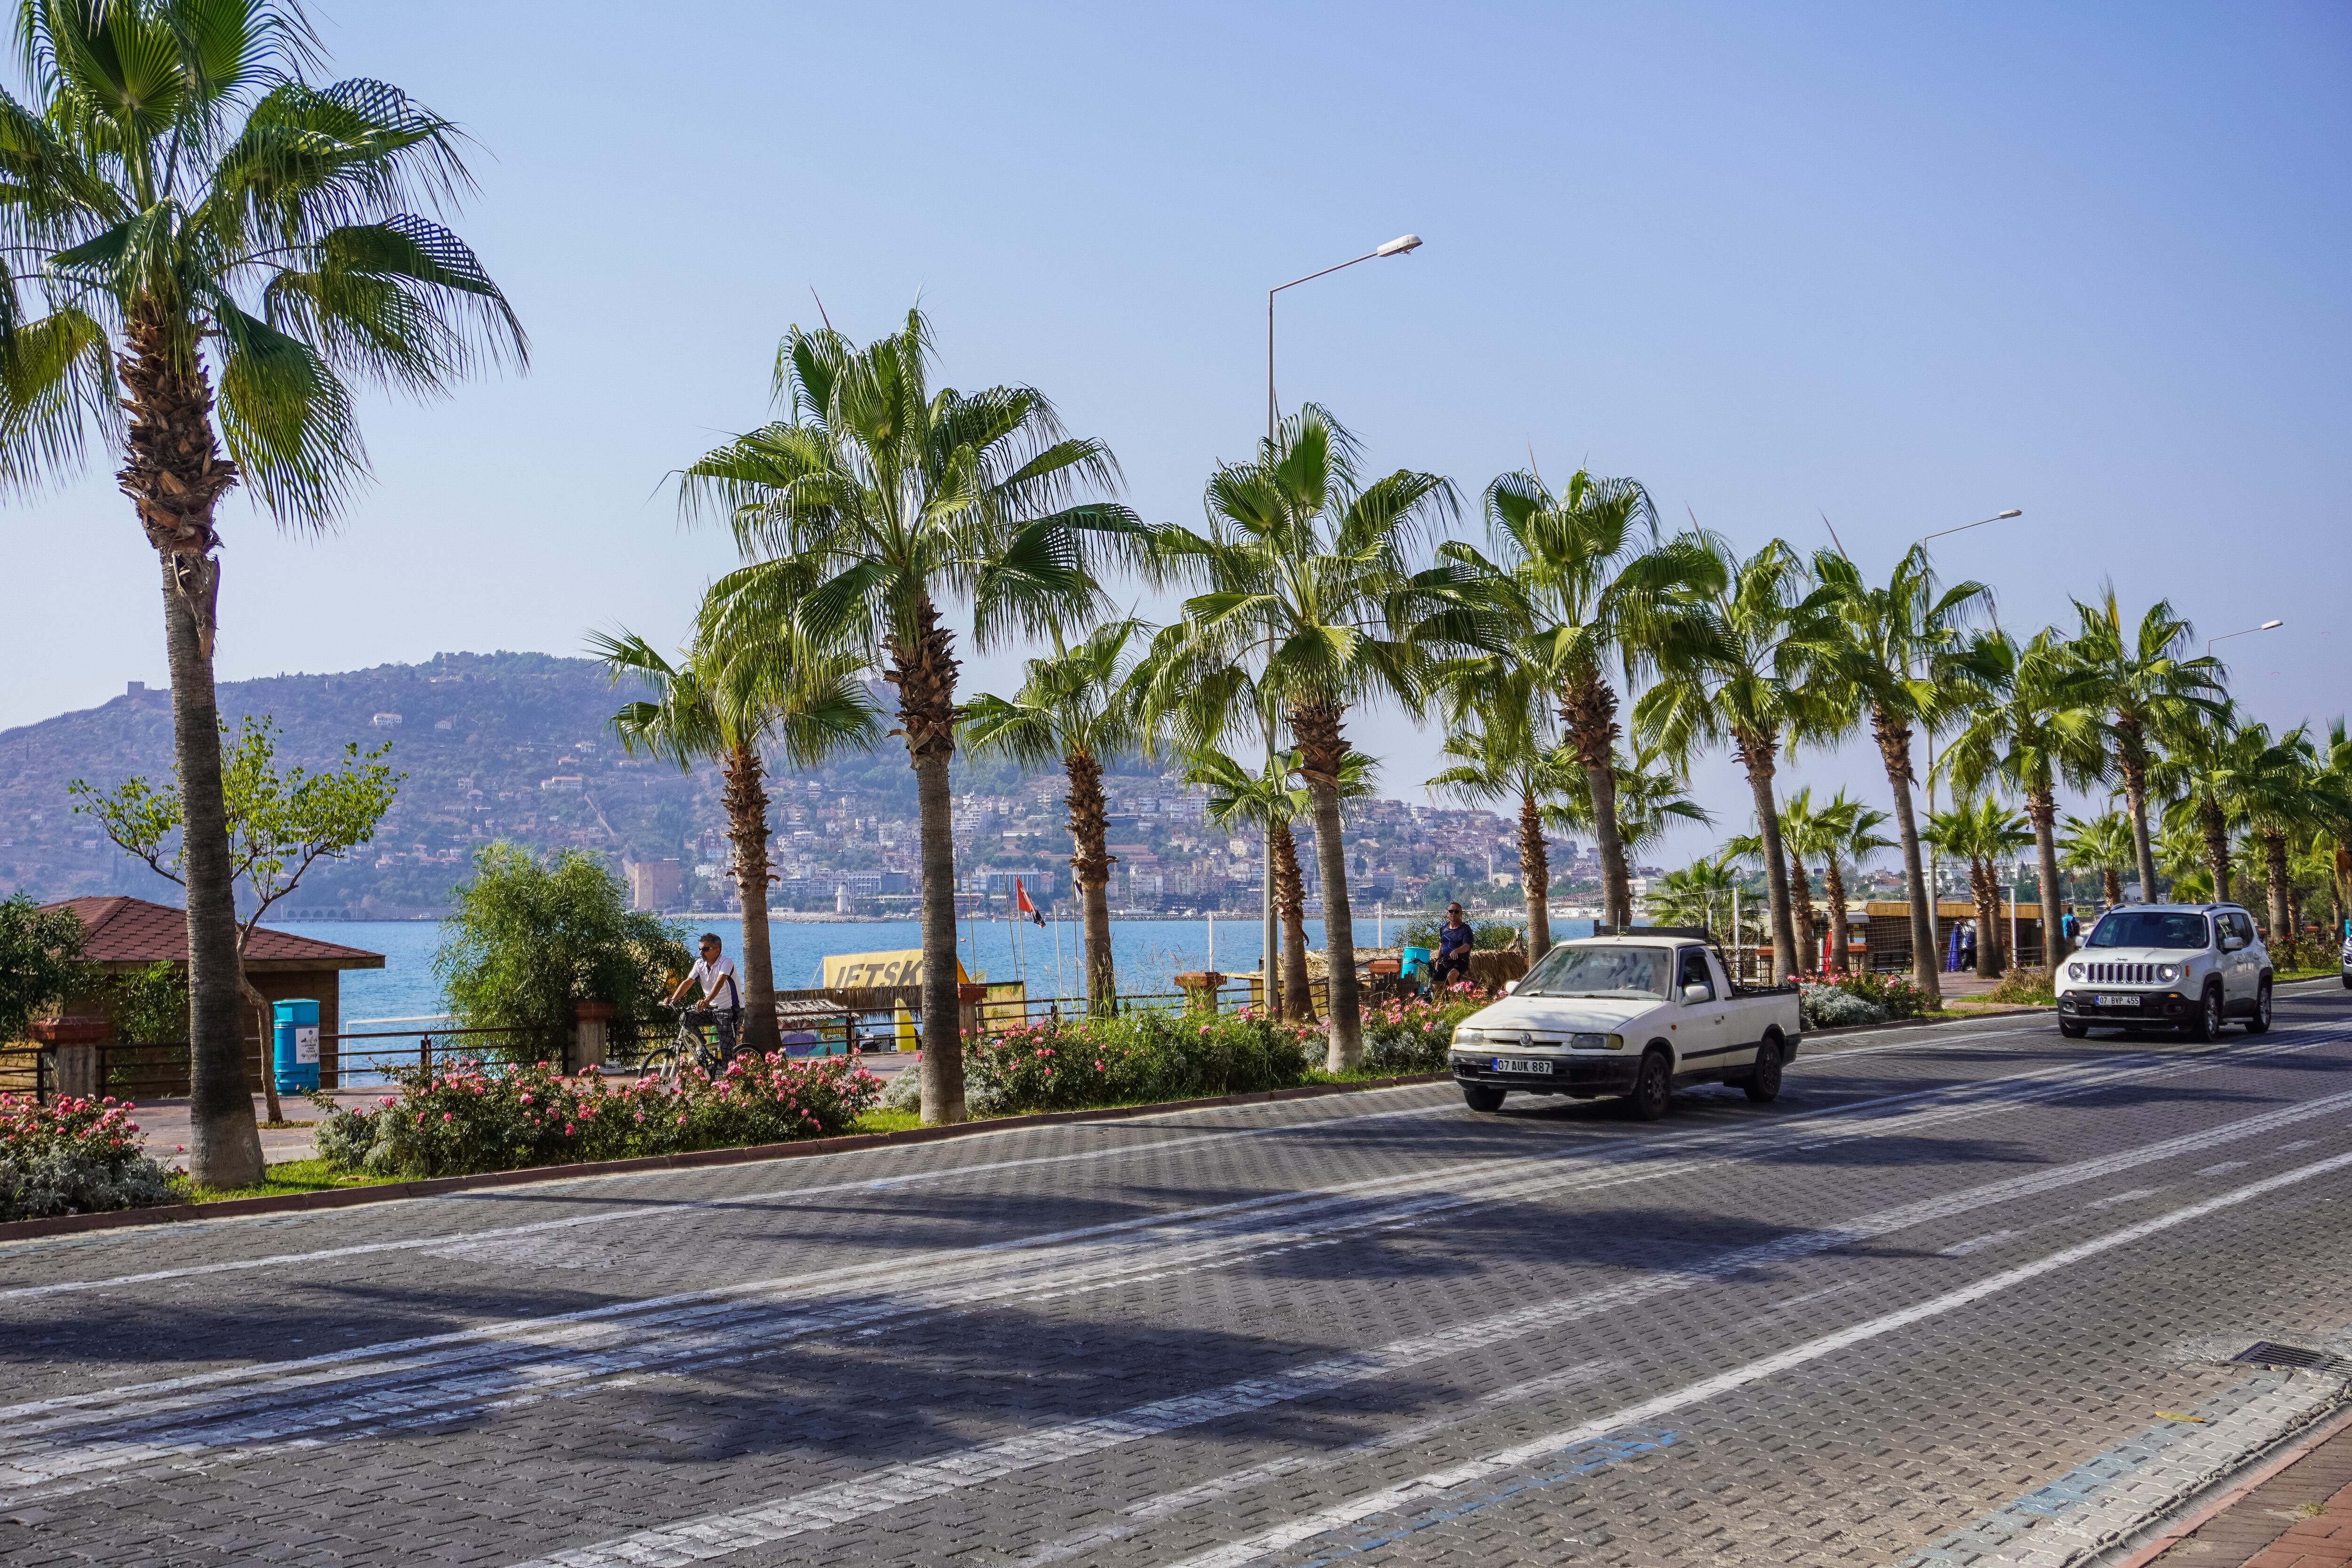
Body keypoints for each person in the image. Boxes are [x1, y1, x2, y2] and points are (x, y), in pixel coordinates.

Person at [666, 931, 743, 1061]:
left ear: (717, 951)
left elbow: (720, 982)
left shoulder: (726, 963)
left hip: (730, 1011)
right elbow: (688, 982)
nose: (701, 953)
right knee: (685, 1017)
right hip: (710, 1009)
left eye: (706, 949)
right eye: (700, 949)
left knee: (727, 1051)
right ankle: (701, 1048)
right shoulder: (699, 964)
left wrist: (707, 1000)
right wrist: (673, 1000)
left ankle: (728, 1077)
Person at [1432, 904, 1475, 989]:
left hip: (1459, 962)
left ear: (1461, 914)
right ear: (1448, 913)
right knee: (1435, 983)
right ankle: (1439, 1001)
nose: (1453, 914)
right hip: (1444, 962)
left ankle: (1456, 1000)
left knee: (1451, 976)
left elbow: (1467, 946)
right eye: (1451, 911)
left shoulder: (1465, 929)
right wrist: (1437, 961)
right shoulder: (1443, 928)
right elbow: (1441, 945)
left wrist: (1457, 951)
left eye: (1456, 912)